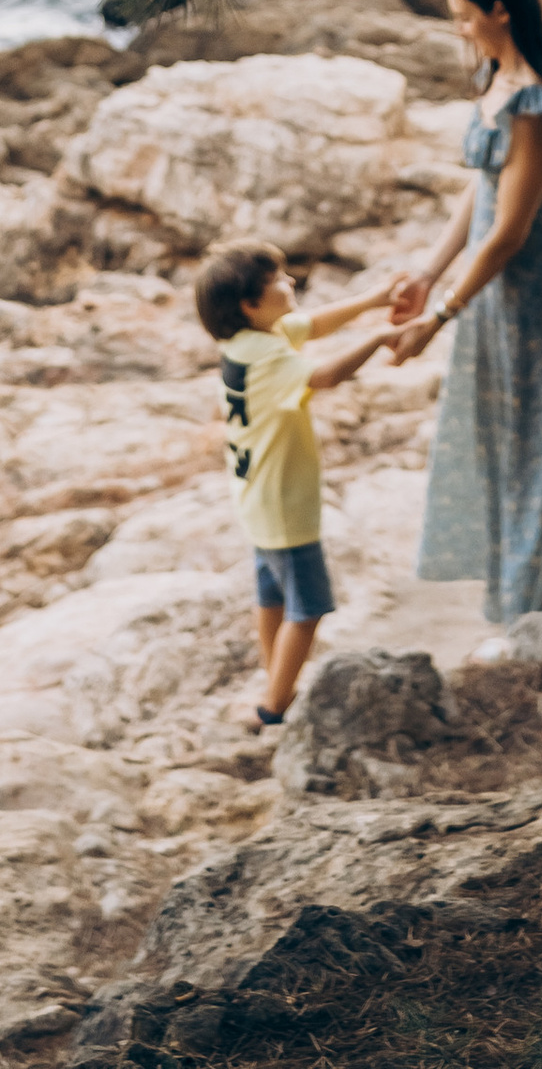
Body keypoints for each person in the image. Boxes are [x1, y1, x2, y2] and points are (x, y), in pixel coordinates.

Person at [389, 0, 542, 626]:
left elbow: (508, 232)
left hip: (535, 301)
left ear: (501, 11)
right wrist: (427, 273)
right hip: (491, 297)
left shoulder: (533, 102)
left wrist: (440, 316)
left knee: (537, 461)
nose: (460, 29)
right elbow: (480, 194)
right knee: (502, 455)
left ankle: (541, 623)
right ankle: (512, 615)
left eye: (465, 16)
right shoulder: (498, 83)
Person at [194, 240, 393, 726]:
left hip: (256, 496)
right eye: (278, 280)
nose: (290, 283)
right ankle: (274, 706)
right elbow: (325, 376)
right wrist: (382, 337)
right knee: (307, 609)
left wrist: (374, 300)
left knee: (272, 597)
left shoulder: (245, 343)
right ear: (251, 304)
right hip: (285, 504)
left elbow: (314, 324)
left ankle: (274, 681)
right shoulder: (268, 355)